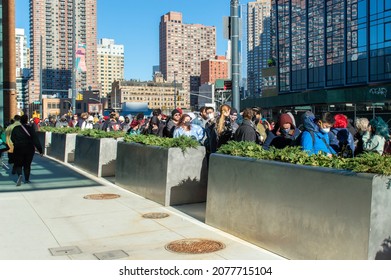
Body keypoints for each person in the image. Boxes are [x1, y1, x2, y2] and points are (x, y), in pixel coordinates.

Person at [11, 114, 43, 186]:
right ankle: (27, 180)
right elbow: (36, 140)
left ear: (20, 121)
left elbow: (12, 138)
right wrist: (40, 150)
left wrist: (16, 143)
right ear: (27, 120)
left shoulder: (16, 128)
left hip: (18, 148)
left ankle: (19, 175)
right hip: (29, 149)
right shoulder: (30, 129)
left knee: (19, 164)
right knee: (27, 165)